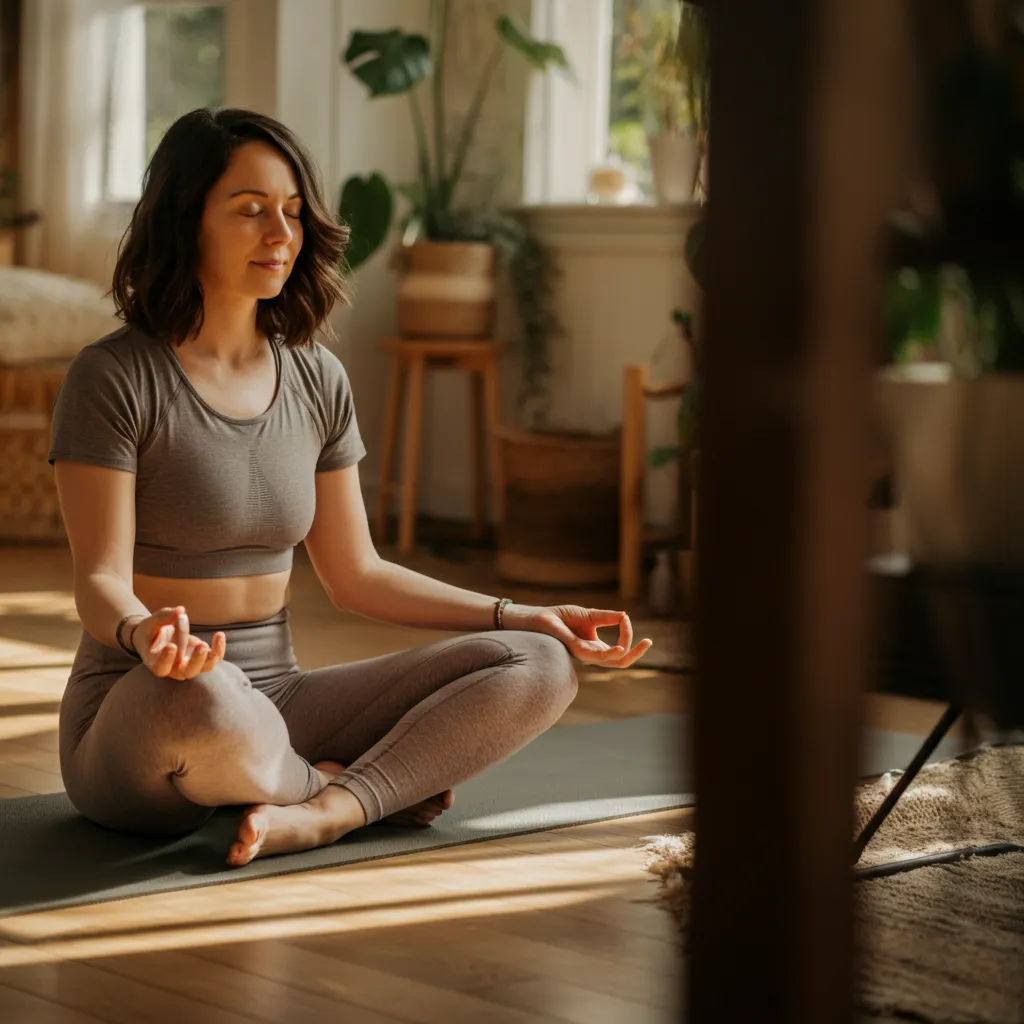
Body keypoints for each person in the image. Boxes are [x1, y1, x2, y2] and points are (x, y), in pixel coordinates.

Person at [48, 107, 652, 868]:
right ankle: (356, 790)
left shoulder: (317, 378)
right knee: (207, 698)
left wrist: (520, 612)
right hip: (146, 708)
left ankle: (330, 808)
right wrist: (146, 636)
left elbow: (357, 575)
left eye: (293, 213)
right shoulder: (114, 377)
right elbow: (99, 580)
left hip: (281, 701)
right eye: (249, 211)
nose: (280, 234)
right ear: (185, 220)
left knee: (540, 662)